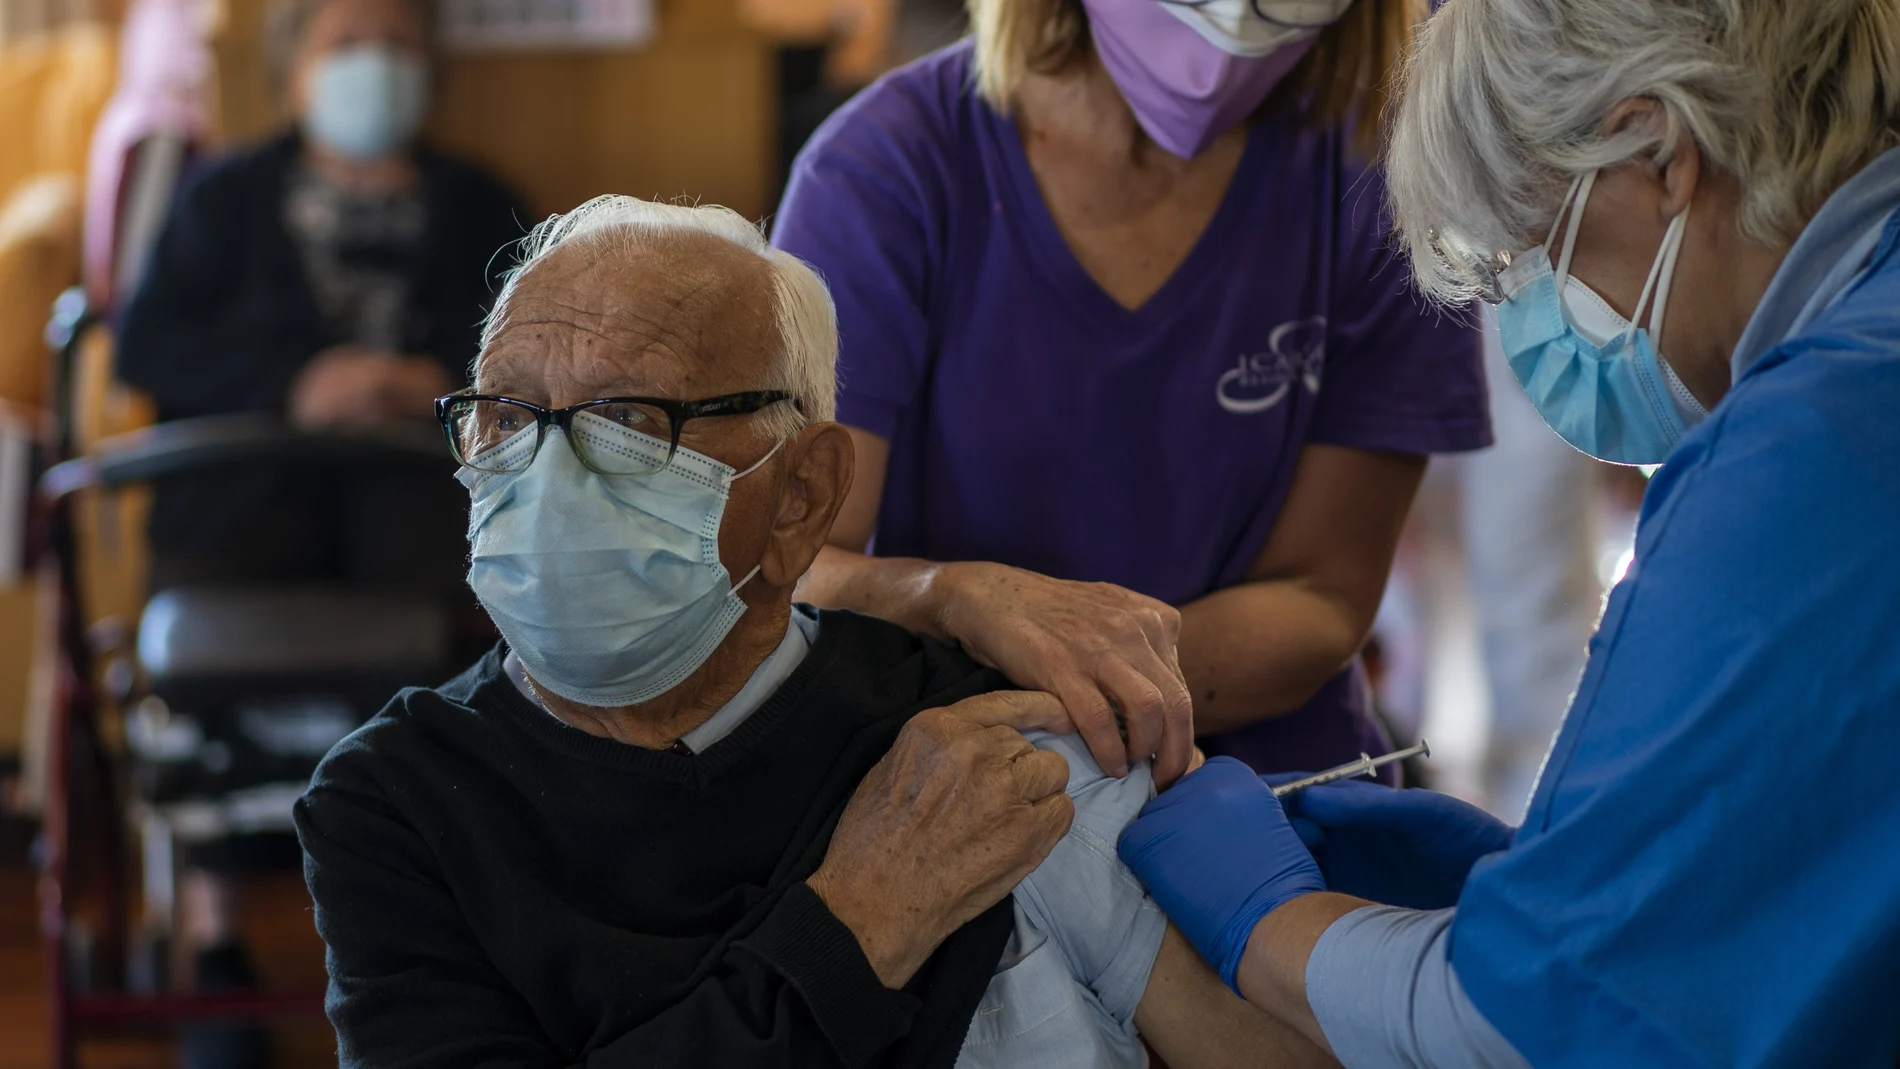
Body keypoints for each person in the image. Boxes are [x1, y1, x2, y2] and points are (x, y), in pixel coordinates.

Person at [296, 196, 1337, 1069]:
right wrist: (858, 924)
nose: (553, 476)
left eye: (629, 420)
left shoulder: (979, 739)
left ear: (801, 495)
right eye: (509, 417)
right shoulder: (396, 800)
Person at [1112, 1, 1900, 1066]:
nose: (1531, 314)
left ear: (1660, 154)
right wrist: (1573, 886)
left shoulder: (1804, 455)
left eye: (1530, 260)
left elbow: (1505, 1035)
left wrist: (1258, 915)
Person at [771, 0, 1491, 789]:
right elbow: (792, 570)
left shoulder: (1381, 186)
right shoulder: (884, 173)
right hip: (967, 776)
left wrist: (1071, 663)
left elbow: (1323, 596)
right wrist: (954, 600)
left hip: (1267, 785)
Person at [113, 0, 522, 1060]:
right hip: (248, 495)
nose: (375, 66)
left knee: (455, 620)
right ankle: (214, 945)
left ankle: (432, 933)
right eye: (347, 46)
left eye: (395, 44)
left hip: (415, 499)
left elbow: (546, 343)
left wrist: (439, 381)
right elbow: (146, 347)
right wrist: (298, 385)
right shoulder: (222, 197)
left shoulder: (481, 200)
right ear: (295, 71)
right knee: (220, 614)